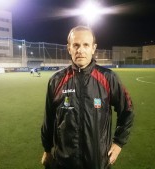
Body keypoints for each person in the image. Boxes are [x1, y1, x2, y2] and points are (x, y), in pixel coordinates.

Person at [41, 26, 134, 169]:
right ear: (69, 48)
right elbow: (49, 119)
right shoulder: (56, 80)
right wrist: (47, 149)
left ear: (93, 48)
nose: (80, 50)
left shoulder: (108, 78)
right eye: (76, 45)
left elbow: (127, 110)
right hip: (64, 163)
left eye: (86, 45)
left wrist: (118, 142)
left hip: (97, 162)